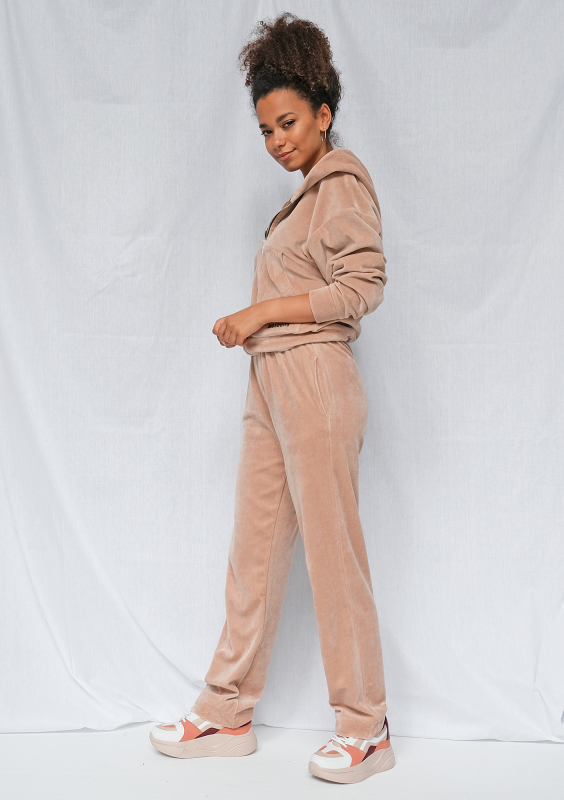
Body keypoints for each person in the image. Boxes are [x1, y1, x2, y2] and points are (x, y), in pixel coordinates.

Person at [149, 12, 395, 785]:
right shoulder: (301, 200)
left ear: (323, 111)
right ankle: (227, 710)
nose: (277, 140)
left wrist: (260, 312)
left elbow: (363, 289)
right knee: (252, 553)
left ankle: (366, 727)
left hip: (315, 379)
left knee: (333, 558)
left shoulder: (342, 183)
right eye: (265, 129)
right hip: (271, 383)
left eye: (288, 122)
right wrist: (259, 328)